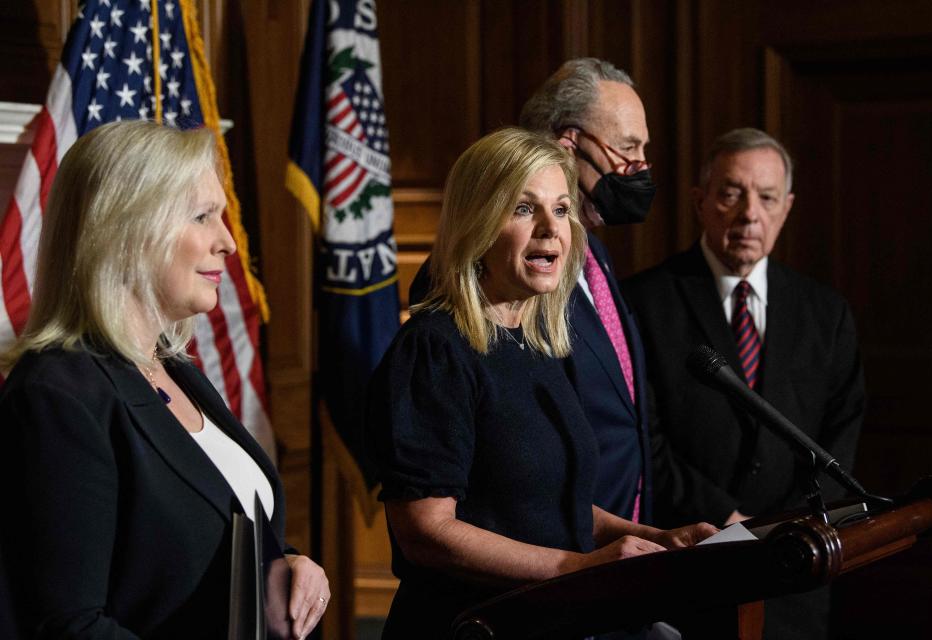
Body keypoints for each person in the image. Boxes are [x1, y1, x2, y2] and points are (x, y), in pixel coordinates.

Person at [367, 128, 716, 639]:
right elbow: (427, 532)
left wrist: (652, 538)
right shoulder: (436, 349)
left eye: (561, 209)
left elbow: (546, 504)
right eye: (525, 209)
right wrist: (578, 567)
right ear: (479, 223)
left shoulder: (536, 341)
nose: (552, 230)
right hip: (472, 626)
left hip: (555, 618)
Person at [0, 120, 330, 639]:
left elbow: (200, 530)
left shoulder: (175, 370)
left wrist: (286, 565)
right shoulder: (57, 397)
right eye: (204, 216)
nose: (229, 244)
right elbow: (66, 624)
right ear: (124, 231)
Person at [620, 128, 865, 639]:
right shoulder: (645, 303)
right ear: (700, 201)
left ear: (787, 207)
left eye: (767, 197)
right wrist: (726, 521)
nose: (750, 213)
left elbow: (840, 434)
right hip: (688, 566)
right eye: (731, 193)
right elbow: (643, 439)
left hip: (797, 574)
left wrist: (791, 530)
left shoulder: (826, 314)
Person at [518, 58, 659, 526]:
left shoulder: (595, 256)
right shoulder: (507, 269)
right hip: (560, 555)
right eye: (627, 147)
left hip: (626, 538)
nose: (640, 166)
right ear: (567, 146)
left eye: (644, 148)